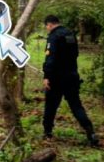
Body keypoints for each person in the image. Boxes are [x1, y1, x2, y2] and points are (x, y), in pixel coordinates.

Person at [42, 15, 99, 146]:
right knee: (76, 105)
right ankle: (90, 132)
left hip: (56, 78)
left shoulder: (53, 37)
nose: (47, 29)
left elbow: (50, 59)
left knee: (51, 105)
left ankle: (47, 132)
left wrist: (47, 76)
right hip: (72, 76)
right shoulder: (70, 34)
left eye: (47, 27)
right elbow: (75, 54)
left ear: (49, 24)